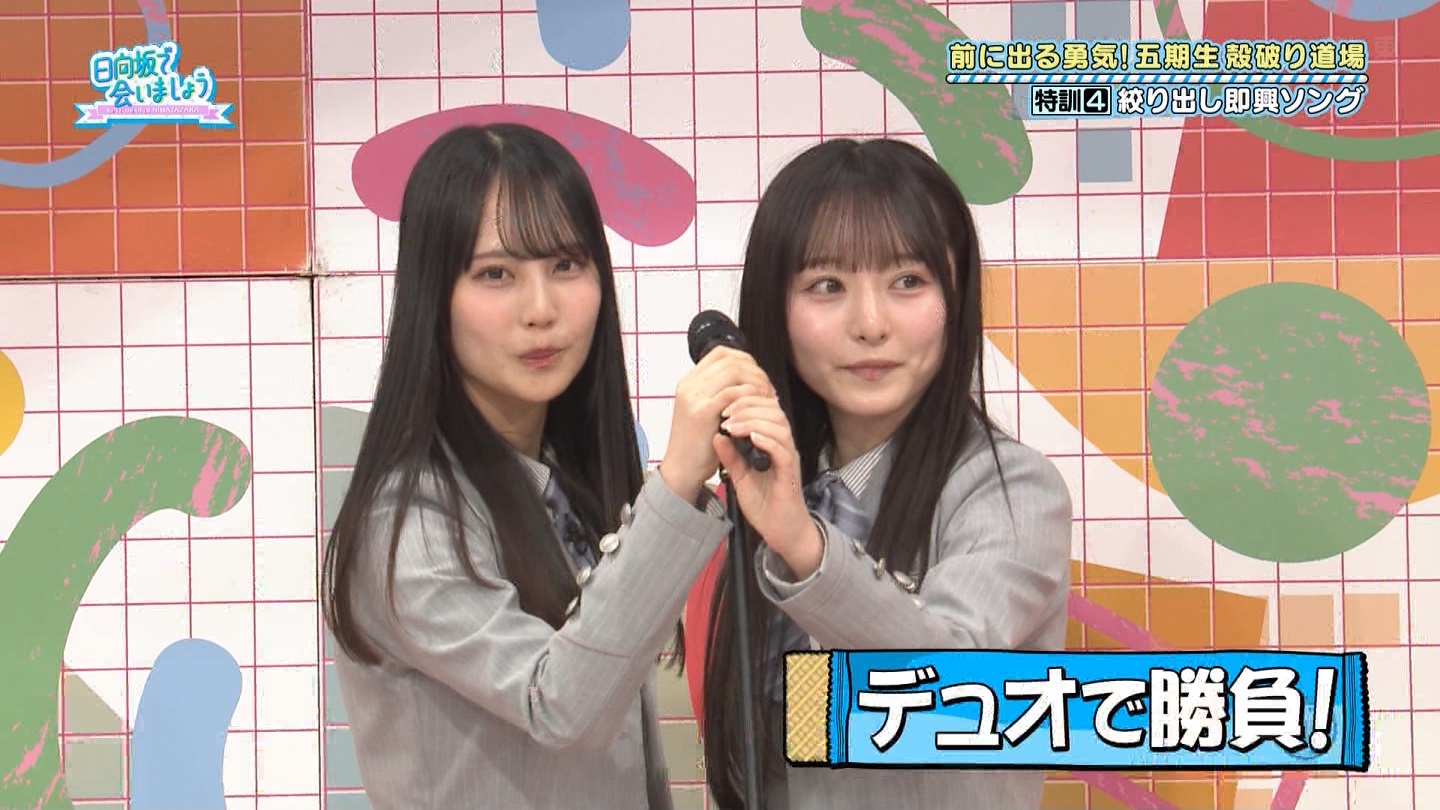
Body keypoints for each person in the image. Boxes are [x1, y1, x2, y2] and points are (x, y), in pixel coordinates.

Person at [320, 123, 771, 810]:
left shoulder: (568, 484)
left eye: (566, 265)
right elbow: (560, 705)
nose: (542, 309)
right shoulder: (407, 519)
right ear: (432, 296)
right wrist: (677, 482)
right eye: (495, 274)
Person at [694, 138, 1075, 809]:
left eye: (907, 282)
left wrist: (805, 547)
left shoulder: (1012, 491)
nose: (870, 325)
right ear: (775, 309)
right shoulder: (761, 487)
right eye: (827, 286)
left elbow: (947, 674)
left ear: (956, 298)